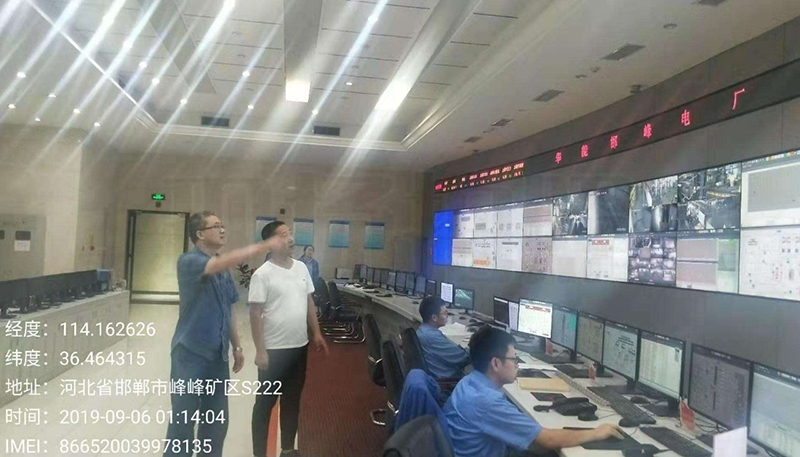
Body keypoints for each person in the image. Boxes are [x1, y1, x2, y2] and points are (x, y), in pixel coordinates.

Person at [165, 211, 282, 457]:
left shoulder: (223, 269)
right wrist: (263, 246)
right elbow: (217, 264)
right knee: (183, 421)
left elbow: (228, 309)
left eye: (222, 225)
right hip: (190, 355)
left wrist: (236, 346)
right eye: (216, 226)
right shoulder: (188, 261)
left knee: (215, 423)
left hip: (217, 357)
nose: (222, 230)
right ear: (200, 234)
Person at [444, 327, 624, 457]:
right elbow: (548, 440)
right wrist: (596, 432)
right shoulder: (486, 401)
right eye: (514, 359)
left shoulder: (469, 381)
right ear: (496, 363)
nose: (517, 365)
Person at [249, 221, 330, 457]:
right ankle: (259, 453)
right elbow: (254, 313)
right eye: (283, 235)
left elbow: (309, 302)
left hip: (299, 347)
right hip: (273, 352)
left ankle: (287, 449)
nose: (291, 239)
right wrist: (260, 350)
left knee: (292, 401)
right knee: (264, 405)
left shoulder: (301, 268)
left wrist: (316, 333)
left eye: (290, 233)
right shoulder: (262, 274)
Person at [416, 296, 470, 379]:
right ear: (434, 318)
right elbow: (463, 357)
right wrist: (476, 344)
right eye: (444, 313)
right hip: (447, 381)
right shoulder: (433, 337)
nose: (447, 316)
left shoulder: (423, 330)